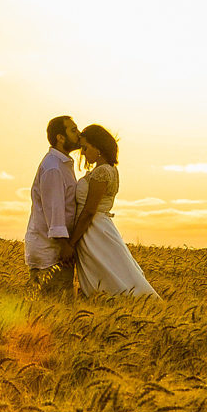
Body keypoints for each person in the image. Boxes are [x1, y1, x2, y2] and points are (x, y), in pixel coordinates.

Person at [65, 123, 157, 298]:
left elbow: (89, 210)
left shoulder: (102, 172)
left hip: (94, 231)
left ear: (97, 147)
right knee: (110, 272)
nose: (82, 153)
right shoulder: (108, 169)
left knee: (107, 274)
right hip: (98, 228)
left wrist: (72, 242)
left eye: (85, 148)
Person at [25, 115, 81, 292]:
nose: (79, 134)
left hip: (54, 250)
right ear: (60, 137)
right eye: (73, 130)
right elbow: (54, 210)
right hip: (51, 253)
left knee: (59, 308)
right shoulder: (54, 168)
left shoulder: (61, 164)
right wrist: (64, 246)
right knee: (55, 305)